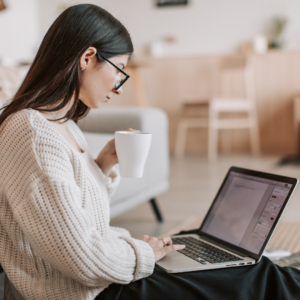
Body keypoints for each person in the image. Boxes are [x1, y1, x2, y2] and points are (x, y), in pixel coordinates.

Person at [0, 4, 299, 300]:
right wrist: (144, 253)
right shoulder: (31, 131)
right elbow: (82, 257)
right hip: (87, 293)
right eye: (119, 71)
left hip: (100, 281)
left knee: (253, 269)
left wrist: (101, 166)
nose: (118, 87)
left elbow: (78, 219)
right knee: (256, 276)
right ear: (88, 57)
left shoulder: (62, 125)